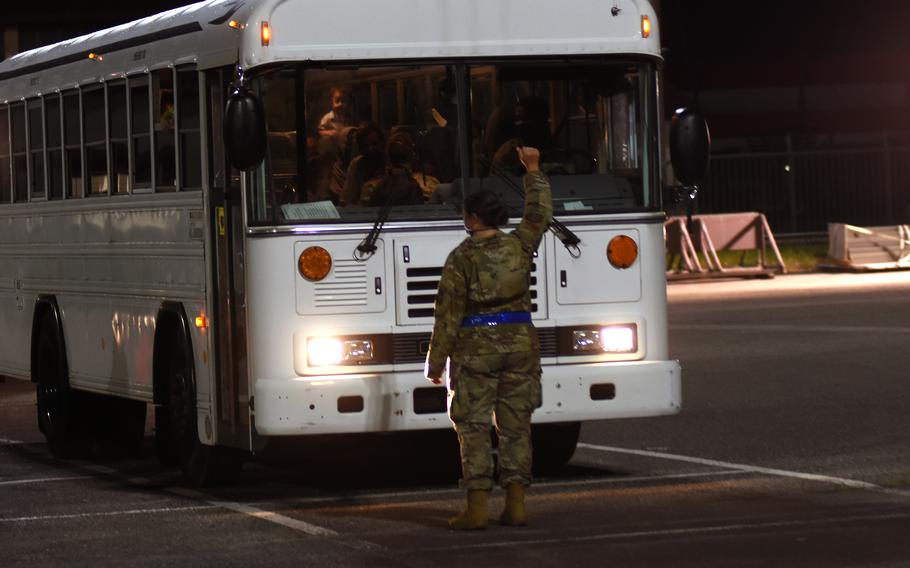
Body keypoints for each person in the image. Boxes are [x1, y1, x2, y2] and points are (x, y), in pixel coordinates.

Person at [424, 146, 552, 530]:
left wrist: (435, 364)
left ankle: (476, 509)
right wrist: (533, 169)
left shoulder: (461, 258)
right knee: (516, 427)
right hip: (520, 345)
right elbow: (540, 213)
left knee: (474, 427)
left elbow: (447, 317)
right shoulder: (520, 245)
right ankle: (516, 505)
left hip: (475, 351)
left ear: (473, 218)